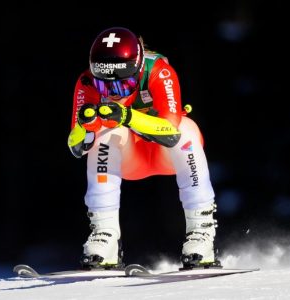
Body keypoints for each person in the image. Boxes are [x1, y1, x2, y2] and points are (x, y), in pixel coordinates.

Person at [67, 27, 218, 269]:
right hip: (128, 158)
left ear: (137, 72)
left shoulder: (159, 72)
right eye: (106, 87)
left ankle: (202, 231)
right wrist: (86, 128)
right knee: (105, 135)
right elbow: (76, 146)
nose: (114, 94)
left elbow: (170, 131)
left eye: (123, 85)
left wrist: (126, 115)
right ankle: (104, 235)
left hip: (165, 153)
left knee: (187, 131)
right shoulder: (87, 82)